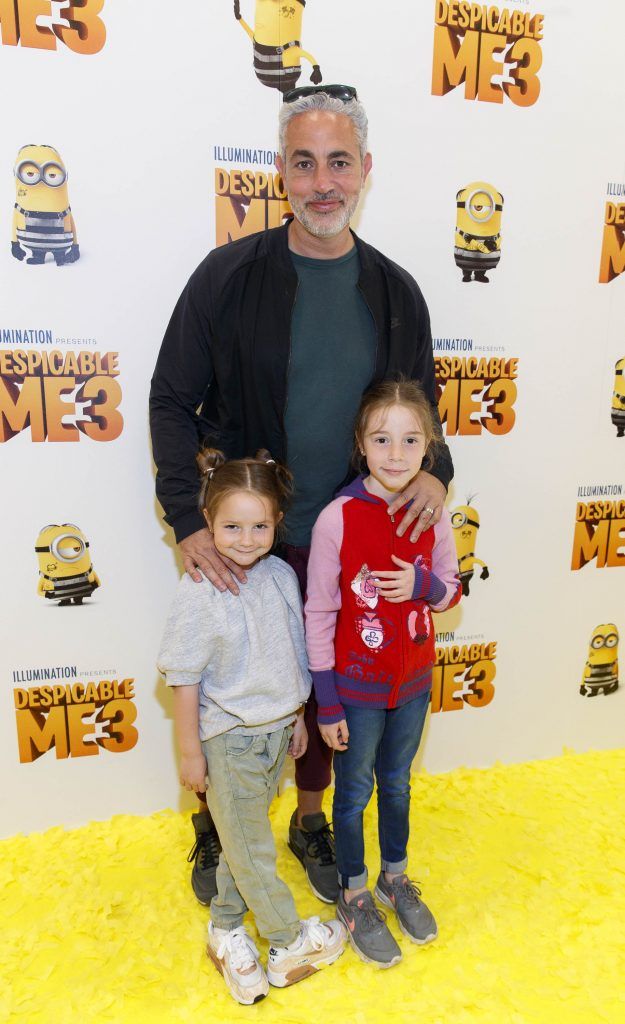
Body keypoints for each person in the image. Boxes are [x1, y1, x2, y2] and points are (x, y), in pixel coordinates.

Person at [149, 85, 454, 905]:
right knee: (234, 698)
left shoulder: (395, 290)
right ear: (280, 171)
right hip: (251, 538)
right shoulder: (227, 276)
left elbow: (422, 412)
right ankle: (218, 829)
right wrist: (187, 519)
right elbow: (171, 400)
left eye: (339, 162)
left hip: (356, 541)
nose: (323, 181)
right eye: (305, 162)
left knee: (332, 693)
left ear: (364, 171)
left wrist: (435, 470)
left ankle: (310, 819)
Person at [157, 449, 345, 1004]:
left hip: (275, 735)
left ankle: (224, 930)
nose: (245, 538)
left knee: (241, 844)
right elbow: (184, 679)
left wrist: (296, 718)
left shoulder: (282, 575)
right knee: (254, 848)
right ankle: (288, 943)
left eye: (259, 525)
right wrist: (191, 754)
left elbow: (289, 655)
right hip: (228, 743)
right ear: (207, 525)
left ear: (277, 523)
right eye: (231, 526)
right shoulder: (199, 591)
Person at [305, 380, 462, 968]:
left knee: (397, 783)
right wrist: (327, 701)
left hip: (415, 684)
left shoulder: (433, 511)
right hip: (356, 691)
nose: (396, 453)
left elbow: (450, 592)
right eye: (381, 438)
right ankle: (354, 892)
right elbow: (319, 610)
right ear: (361, 444)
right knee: (354, 795)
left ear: (429, 448)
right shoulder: (336, 519)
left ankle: (395, 877)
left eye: (410, 439)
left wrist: (423, 585)